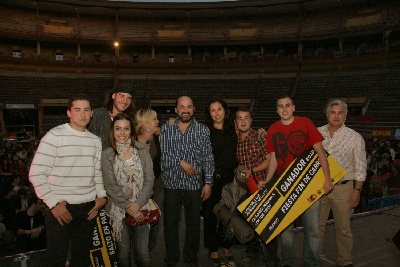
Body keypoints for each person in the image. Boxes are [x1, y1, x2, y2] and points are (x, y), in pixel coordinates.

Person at [29, 95, 108, 267]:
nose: (83, 114)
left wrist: (102, 197)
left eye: (86, 110)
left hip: (88, 208)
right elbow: (35, 174)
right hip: (60, 206)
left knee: (81, 258)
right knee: (56, 258)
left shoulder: (95, 141)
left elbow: (96, 173)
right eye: (77, 109)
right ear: (69, 113)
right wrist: (54, 203)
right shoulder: (54, 136)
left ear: (92, 113)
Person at [261, 95, 333, 267]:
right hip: (285, 185)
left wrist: (328, 179)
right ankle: (287, 262)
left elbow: (320, 153)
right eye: (280, 106)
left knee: (312, 230)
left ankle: (312, 263)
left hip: (308, 184)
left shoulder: (305, 123)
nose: (284, 109)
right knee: (285, 230)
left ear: (294, 107)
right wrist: (267, 180)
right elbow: (274, 158)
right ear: (276, 110)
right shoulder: (273, 129)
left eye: (288, 105)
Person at [160, 95, 215, 267]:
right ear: (176, 110)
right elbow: (164, 157)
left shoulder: (203, 130)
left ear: (193, 109)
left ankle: (191, 259)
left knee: (193, 226)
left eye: (189, 107)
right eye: (182, 107)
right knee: (170, 225)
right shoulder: (166, 128)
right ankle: (172, 259)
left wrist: (208, 182)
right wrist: (180, 162)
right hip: (171, 185)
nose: (185, 110)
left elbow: (208, 158)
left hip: (193, 186)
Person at [102, 112, 155, 267]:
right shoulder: (107, 154)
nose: (122, 133)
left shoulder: (142, 150)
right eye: (118, 129)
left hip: (142, 208)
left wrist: (138, 205)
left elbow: (149, 179)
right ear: (112, 131)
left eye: (126, 129)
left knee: (143, 254)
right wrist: (129, 208)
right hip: (119, 211)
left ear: (131, 131)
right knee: (124, 254)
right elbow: (111, 186)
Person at [318, 99, 367, 267]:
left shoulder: (355, 137)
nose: (336, 116)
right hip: (318, 188)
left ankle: (345, 261)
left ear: (345, 116)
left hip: (344, 188)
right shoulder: (316, 133)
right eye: (333, 112)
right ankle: (314, 258)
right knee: (317, 228)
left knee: (344, 229)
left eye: (340, 113)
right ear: (327, 114)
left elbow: (360, 166)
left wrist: (357, 190)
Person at [235, 106, 279, 267]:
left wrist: (252, 171)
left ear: (251, 121)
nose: (243, 121)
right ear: (235, 122)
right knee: (249, 225)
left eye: (246, 118)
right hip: (244, 189)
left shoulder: (259, 137)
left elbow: (269, 160)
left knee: (267, 226)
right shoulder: (236, 138)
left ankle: (272, 261)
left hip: (262, 186)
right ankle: (253, 257)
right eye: (240, 118)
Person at [203, 99, 237, 267]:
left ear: (225, 110)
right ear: (209, 114)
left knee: (227, 215)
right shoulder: (205, 132)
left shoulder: (234, 129)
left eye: (219, 109)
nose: (216, 113)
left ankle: (226, 246)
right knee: (210, 214)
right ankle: (213, 247)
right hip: (212, 178)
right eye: (212, 110)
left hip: (230, 180)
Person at [133, 108, 162, 252]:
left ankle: (147, 252)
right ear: (145, 124)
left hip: (155, 189)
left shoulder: (155, 139)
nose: (158, 121)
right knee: (141, 228)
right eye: (154, 119)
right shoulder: (133, 143)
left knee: (155, 221)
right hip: (139, 193)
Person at [88, 82, 135, 149]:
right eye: (122, 96)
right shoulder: (96, 115)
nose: (125, 101)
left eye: (129, 98)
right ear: (113, 96)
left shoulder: (130, 121)